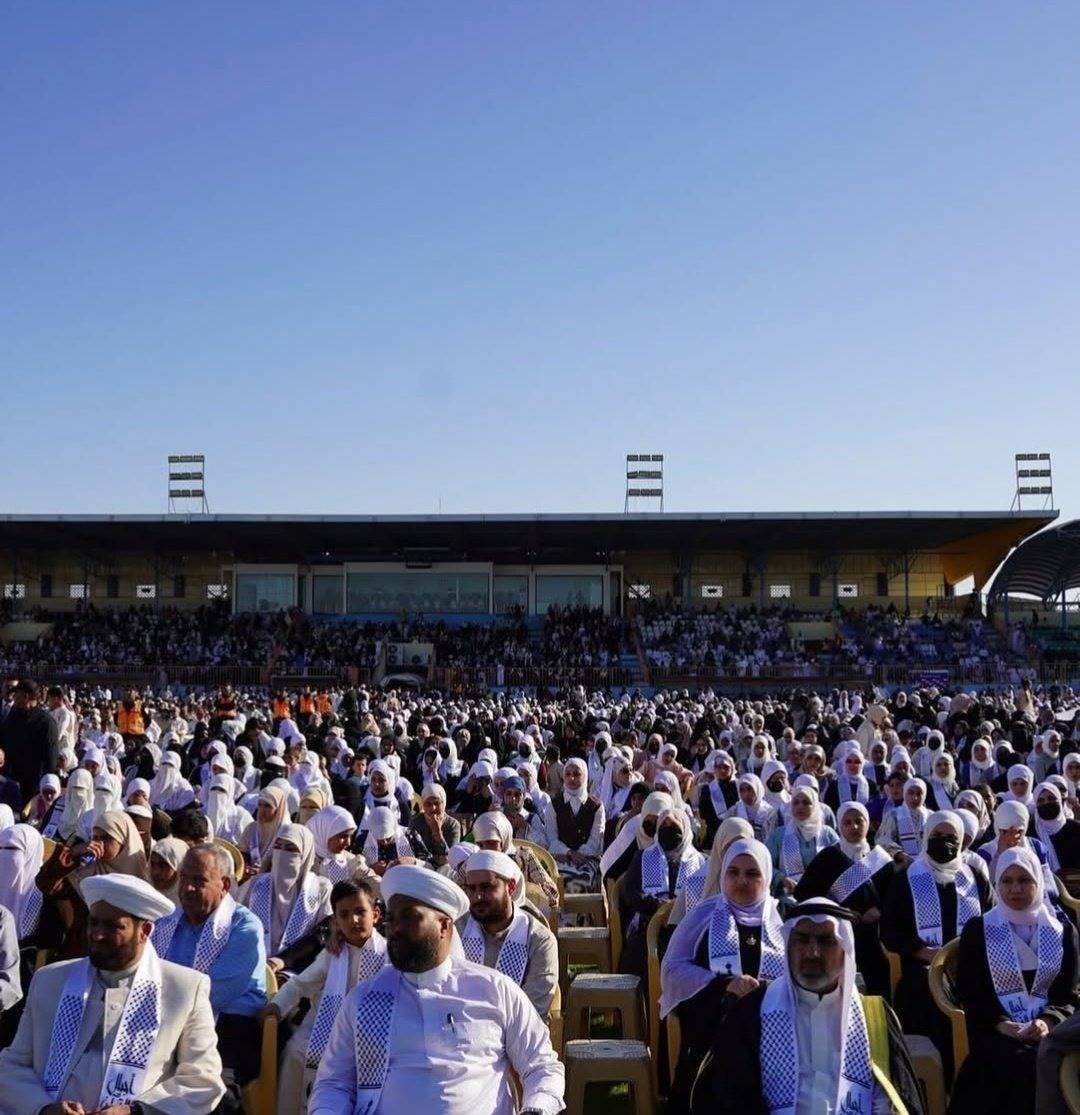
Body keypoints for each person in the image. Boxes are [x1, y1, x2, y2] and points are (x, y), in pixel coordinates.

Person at [308, 863, 564, 1115]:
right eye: (391, 918)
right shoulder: (364, 1001)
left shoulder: (494, 991)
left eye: (410, 917)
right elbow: (333, 1084)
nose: (395, 929)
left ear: (444, 926)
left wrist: (535, 1110)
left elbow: (542, 1066)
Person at [0, 873, 226, 1113]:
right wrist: (44, 1108)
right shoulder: (50, 980)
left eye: (113, 926)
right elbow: (11, 1066)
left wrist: (135, 1111)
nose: (97, 935)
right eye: (94, 923)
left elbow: (203, 1080)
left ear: (145, 931)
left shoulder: (185, 988)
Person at [691, 896, 924, 1115]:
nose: (812, 953)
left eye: (826, 941)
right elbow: (729, 1096)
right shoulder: (753, 1012)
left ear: (845, 950)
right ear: (788, 947)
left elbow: (897, 1097)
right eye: (802, 940)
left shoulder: (875, 1017)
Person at [660, 838, 787, 1111]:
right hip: (715, 1033)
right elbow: (673, 971)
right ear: (723, 874)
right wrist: (724, 985)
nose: (742, 881)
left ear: (766, 877)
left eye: (752, 873)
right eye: (733, 872)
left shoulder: (784, 920)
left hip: (778, 1032)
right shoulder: (702, 917)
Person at [951, 847, 1078, 1114]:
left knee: (1048, 1057)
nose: (1015, 889)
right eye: (1007, 881)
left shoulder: (1062, 931)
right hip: (996, 1030)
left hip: (1051, 1032)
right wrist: (1000, 1024)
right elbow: (970, 992)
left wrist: (1048, 1021)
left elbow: (1069, 994)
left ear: (1038, 882)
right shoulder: (979, 930)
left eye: (1024, 880)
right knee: (1009, 1063)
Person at [151, 843, 267, 1094]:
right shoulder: (166, 922)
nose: (187, 888)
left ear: (224, 885)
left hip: (228, 1028)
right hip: (165, 1020)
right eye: (184, 878)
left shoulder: (245, 927)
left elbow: (214, 993)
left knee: (206, 1093)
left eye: (199, 880)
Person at [266, 878, 388, 1115]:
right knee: (295, 1052)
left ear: (375, 914)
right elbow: (300, 985)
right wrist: (276, 1006)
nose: (353, 920)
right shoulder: (333, 953)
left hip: (369, 1037)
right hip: (324, 1029)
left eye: (360, 912)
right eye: (344, 915)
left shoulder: (387, 955)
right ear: (336, 922)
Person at [881, 809, 992, 1065]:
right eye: (937, 835)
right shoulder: (905, 879)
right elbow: (889, 930)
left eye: (951, 837)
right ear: (926, 836)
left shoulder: (974, 877)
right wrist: (922, 951)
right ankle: (939, 1068)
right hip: (922, 966)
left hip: (970, 964)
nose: (944, 841)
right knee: (926, 992)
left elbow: (993, 922)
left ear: (962, 841)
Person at [794, 801, 895, 995]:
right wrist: (839, 912)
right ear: (839, 826)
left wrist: (880, 910)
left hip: (875, 936)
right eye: (847, 823)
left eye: (859, 821)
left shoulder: (881, 860)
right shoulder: (828, 857)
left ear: (868, 823)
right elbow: (804, 893)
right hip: (836, 933)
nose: (854, 827)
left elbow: (894, 897)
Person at [459, 849, 559, 1020]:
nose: (477, 896)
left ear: (511, 887)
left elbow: (531, 1014)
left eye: (486, 887)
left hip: (517, 1032)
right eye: (472, 888)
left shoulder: (539, 940)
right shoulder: (458, 929)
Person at [619, 808, 705, 980]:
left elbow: (706, 900)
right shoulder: (642, 857)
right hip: (648, 925)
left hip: (688, 929)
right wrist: (658, 906)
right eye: (663, 825)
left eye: (674, 826)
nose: (668, 829)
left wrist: (677, 909)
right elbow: (631, 894)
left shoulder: (701, 863)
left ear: (685, 830)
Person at [241, 822, 332, 973]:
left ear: (305, 854)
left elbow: (323, 935)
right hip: (252, 968)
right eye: (277, 847)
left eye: (291, 849)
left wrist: (284, 961)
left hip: (298, 974)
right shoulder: (256, 885)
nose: (282, 854)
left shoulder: (321, 888)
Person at [538, 757, 605, 893]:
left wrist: (578, 855)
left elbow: (595, 840)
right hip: (560, 857)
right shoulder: (554, 805)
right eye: (567, 774)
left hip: (587, 858)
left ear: (585, 776)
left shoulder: (596, 806)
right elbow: (551, 838)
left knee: (584, 880)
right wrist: (569, 853)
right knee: (554, 880)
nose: (571, 778)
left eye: (577, 774)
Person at [765, 785, 838, 896]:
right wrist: (781, 878)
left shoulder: (827, 834)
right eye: (796, 803)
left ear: (815, 806)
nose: (800, 806)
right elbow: (766, 864)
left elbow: (840, 863)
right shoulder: (780, 834)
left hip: (824, 895)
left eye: (806, 803)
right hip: (790, 897)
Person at [0, 681, 59, 807]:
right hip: (9, 781)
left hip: (32, 787)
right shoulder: (13, 715)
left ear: (26, 696)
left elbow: (50, 761)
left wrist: (43, 790)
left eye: (16, 694)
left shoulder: (46, 723)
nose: (13, 698)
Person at [407, 783, 461, 869]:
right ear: (423, 805)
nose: (433, 808)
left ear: (444, 803)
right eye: (428, 804)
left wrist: (438, 833)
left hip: (444, 870)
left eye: (437, 803)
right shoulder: (415, 822)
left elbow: (451, 858)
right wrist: (437, 859)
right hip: (420, 867)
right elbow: (412, 853)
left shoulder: (453, 825)